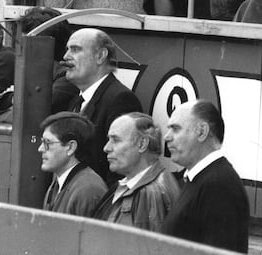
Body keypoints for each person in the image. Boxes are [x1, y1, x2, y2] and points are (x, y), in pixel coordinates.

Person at [161, 99, 249, 253]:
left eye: (175, 129)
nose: (167, 137)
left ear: (201, 132)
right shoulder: (201, 179)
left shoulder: (218, 185)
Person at [62, 28, 142, 186]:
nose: (66, 57)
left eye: (75, 49)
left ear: (100, 56)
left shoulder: (120, 99)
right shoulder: (76, 100)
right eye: (67, 50)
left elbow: (121, 169)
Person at [0, 7, 78, 122]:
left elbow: (29, 118)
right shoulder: (27, 72)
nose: (20, 50)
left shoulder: (67, 77)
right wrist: (12, 99)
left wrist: (11, 105)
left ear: (46, 45)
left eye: (26, 44)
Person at [92, 112, 180, 231]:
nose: (106, 148)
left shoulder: (152, 192)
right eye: (109, 139)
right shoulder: (134, 185)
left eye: (116, 140)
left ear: (142, 144)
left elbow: (149, 248)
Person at [39, 111, 107, 217]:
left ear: (71, 147)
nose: (40, 149)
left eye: (48, 143)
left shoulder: (89, 189)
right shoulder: (58, 182)